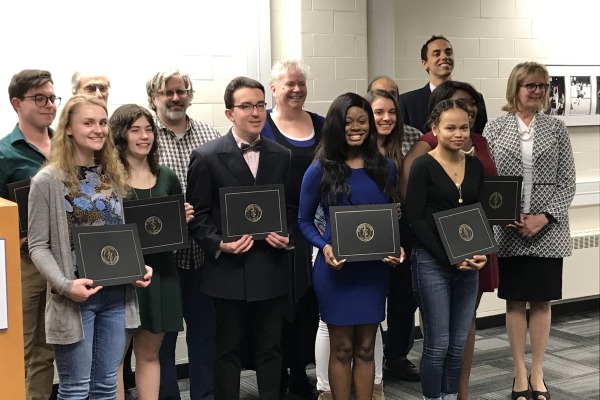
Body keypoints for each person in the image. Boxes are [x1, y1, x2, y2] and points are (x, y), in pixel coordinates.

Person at [27, 95, 152, 399]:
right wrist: (64, 285)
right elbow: (38, 246)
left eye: (102, 122)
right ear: (68, 128)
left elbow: (116, 237)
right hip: (74, 299)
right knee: (76, 388)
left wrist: (137, 266)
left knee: (108, 385)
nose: (98, 129)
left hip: (115, 295)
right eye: (88, 123)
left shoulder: (110, 175)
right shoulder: (46, 181)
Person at [187, 76, 292, 400]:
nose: (256, 112)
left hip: (270, 266)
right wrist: (219, 243)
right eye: (246, 106)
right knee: (227, 350)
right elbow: (198, 216)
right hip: (227, 271)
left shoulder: (282, 154)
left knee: (271, 349)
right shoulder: (206, 156)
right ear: (230, 113)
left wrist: (284, 235)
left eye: (261, 105)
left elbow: (289, 207)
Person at [298, 92, 403, 400]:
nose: (356, 128)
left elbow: (388, 220)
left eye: (362, 121)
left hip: (373, 272)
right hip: (336, 271)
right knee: (342, 347)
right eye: (348, 122)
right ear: (336, 125)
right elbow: (303, 221)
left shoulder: (385, 168)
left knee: (367, 347)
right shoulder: (320, 168)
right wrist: (324, 245)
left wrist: (397, 248)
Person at [401, 80, 500, 399]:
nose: (458, 134)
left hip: (469, 264)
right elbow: (414, 218)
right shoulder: (423, 166)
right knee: (438, 344)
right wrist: (449, 256)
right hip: (432, 263)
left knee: (458, 344)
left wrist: (481, 253)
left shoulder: (474, 166)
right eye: (450, 128)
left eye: (464, 127)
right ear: (434, 128)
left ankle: (448, 396)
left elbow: (479, 214)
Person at [483, 61, 576, 400]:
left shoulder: (556, 127)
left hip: (548, 230)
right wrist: (505, 213)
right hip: (509, 229)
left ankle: (537, 372)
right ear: (516, 88)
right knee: (515, 301)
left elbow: (567, 182)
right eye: (530, 85)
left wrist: (543, 217)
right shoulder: (495, 128)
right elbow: (487, 178)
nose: (537, 91)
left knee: (541, 301)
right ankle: (518, 373)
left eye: (542, 86)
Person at [146, 68, 221, 400]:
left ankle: (204, 395)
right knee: (162, 338)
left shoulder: (211, 135)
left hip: (204, 254)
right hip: (163, 259)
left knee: (205, 335)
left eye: (181, 91)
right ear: (153, 97)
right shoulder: (145, 138)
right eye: (167, 92)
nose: (175, 98)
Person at [111, 104, 193, 399]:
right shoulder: (109, 178)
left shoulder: (167, 177)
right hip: (123, 277)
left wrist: (182, 218)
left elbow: (175, 230)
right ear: (120, 135)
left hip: (161, 274)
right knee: (115, 360)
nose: (144, 136)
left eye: (148, 130)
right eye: (136, 130)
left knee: (150, 354)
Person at [261, 58, 323, 398]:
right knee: (281, 304)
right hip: (278, 229)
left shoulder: (322, 125)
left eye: (301, 83)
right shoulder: (263, 126)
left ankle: (301, 372)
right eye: (289, 84)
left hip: (317, 225)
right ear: (274, 89)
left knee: (309, 305)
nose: (296, 89)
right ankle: (279, 374)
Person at [0, 69, 57, 400]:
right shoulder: (5, 153)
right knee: (18, 348)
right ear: (17, 103)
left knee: (46, 350)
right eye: (40, 98)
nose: (49, 104)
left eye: (52, 97)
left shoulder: (69, 145)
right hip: (21, 264)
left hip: (63, 261)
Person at [366, 76, 422, 384]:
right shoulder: (356, 139)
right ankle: (367, 357)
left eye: (392, 111)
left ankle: (397, 355)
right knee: (370, 293)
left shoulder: (413, 136)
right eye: (378, 112)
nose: (386, 118)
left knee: (403, 296)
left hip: (404, 226)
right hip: (367, 229)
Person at [397, 35, 488, 134]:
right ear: (425, 63)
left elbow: (481, 135)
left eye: (448, 53)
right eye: (436, 54)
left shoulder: (474, 98)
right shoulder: (407, 102)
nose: (444, 57)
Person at [367, 75, 422, 156]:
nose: (386, 98)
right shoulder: (359, 139)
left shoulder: (414, 135)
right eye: (379, 93)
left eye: (392, 94)